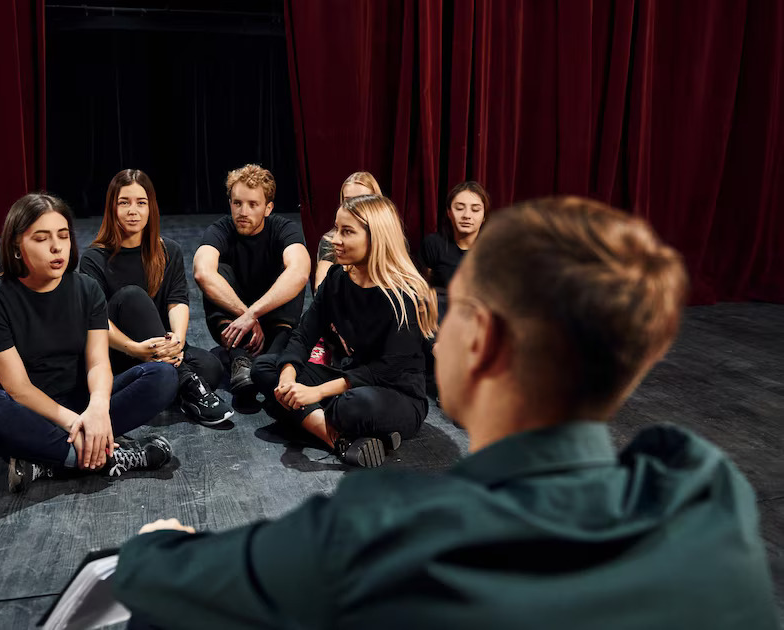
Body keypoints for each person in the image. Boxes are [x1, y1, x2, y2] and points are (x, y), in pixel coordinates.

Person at [109, 197, 779, 629]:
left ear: (481, 341)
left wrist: (159, 541)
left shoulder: (382, 528)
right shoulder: (703, 494)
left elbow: (160, 579)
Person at [0, 193, 178, 493]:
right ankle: (107, 457)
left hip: (80, 402)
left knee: (162, 376)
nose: (56, 246)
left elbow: (98, 363)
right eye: (41, 238)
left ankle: (51, 461)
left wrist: (97, 409)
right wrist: (76, 424)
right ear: (16, 247)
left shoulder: (87, 289)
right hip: (27, 411)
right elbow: (18, 388)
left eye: (63, 236)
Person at [251, 194, 437, 467]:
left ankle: (307, 417)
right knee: (266, 368)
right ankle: (340, 440)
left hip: (396, 395)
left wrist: (315, 394)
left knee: (348, 406)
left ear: (376, 238)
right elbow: (303, 334)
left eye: (347, 232)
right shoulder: (337, 279)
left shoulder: (406, 295)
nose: (334, 239)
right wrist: (288, 378)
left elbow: (383, 371)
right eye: (336, 229)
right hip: (350, 379)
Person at [80, 169, 232, 427]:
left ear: (151, 207)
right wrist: (134, 348)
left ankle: (169, 384)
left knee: (211, 368)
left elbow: (177, 300)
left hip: (159, 347)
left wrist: (178, 341)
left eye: (141, 203)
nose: (133, 211)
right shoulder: (94, 259)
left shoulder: (168, 250)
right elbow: (96, 323)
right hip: (120, 352)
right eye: (124, 203)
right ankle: (186, 383)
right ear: (112, 208)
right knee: (132, 297)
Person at [193, 164, 309, 406]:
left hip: (272, 321)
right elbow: (202, 273)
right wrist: (246, 315)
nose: (243, 212)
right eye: (237, 203)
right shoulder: (221, 229)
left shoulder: (283, 229)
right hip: (238, 324)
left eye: (253, 204)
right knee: (217, 272)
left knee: (289, 273)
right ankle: (240, 360)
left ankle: (268, 360)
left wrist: (253, 313)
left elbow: (300, 272)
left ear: (268, 208)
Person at [421, 180, 490, 317]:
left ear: (484, 216)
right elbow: (421, 288)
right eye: (459, 208)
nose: (467, 215)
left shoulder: (493, 250)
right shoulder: (433, 244)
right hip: (439, 320)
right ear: (449, 212)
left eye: (475, 210)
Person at [312, 171, 382, 291]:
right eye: (348, 200)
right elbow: (320, 286)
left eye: (362, 200)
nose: (353, 206)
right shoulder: (331, 240)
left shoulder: (389, 238)